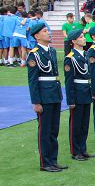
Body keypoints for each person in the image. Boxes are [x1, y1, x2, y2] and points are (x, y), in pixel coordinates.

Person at [26, 23, 66, 172]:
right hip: (44, 96)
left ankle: (53, 160)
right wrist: (36, 101)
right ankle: (46, 162)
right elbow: (33, 81)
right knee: (45, 130)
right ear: (37, 36)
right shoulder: (34, 54)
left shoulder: (52, 51)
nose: (48, 33)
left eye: (48, 30)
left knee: (54, 130)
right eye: (44, 31)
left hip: (54, 94)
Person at [64, 28, 95, 161]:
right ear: (74, 41)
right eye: (81, 37)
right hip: (77, 93)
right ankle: (75, 151)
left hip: (85, 92)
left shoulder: (85, 54)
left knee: (84, 124)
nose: (84, 39)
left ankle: (83, 149)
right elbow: (69, 82)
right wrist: (71, 100)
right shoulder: (70, 58)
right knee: (76, 124)